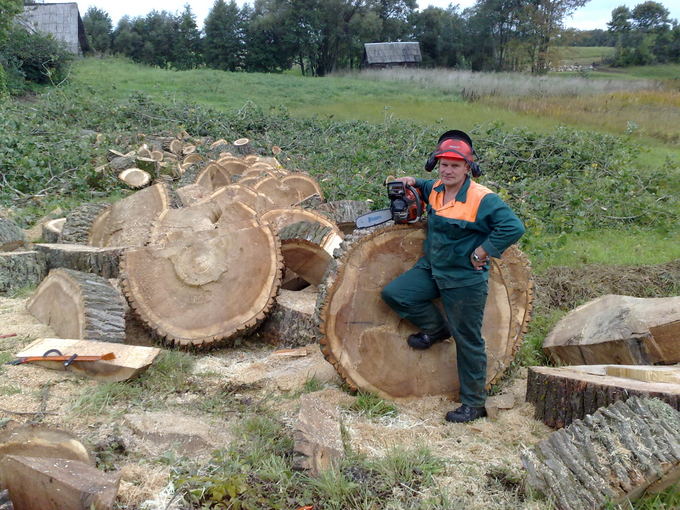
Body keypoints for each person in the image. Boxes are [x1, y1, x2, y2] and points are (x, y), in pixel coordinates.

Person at [381, 130, 525, 423]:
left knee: (468, 339)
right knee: (396, 294)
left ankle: (473, 403)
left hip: (464, 279)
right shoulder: (434, 188)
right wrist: (410, 182)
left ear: (467, 167)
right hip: (432, 268)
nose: (448, 170)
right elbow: (422, 185)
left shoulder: (482, 198)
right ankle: (436, 329)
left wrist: (482, 252)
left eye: (454, 166)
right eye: (443, 164)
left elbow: (513, 227)